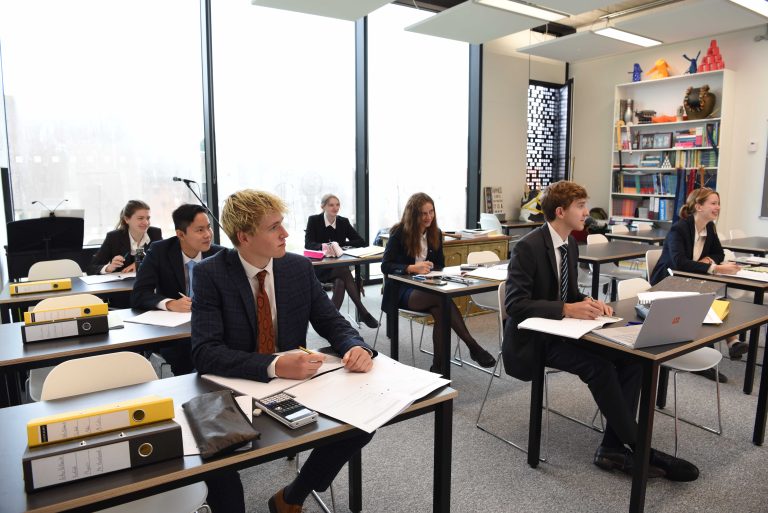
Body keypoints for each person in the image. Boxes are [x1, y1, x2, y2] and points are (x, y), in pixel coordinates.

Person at [191, 189, 376, 513]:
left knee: (364, 420)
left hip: (297, 382)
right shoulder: (210, 273)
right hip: (233, 385)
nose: (285, 233)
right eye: (274, 227)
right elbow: (205, 353)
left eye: (282, 224)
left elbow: (332, 321)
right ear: (244, 237)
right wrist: (274, 365)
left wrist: (355, 346)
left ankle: (292, 495)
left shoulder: (297, 268)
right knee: (220, 465)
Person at [502, 180, 698, 482]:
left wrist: (587, 302)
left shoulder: (569, 242)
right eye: (580, 206)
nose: (586, 213)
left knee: (632, 358)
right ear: (560, 211)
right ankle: (640, 448)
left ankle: (611, 448)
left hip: (563, 330)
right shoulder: (527, 247)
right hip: (535, 339)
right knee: (600, 367)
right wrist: (567, 309)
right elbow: (516, 305)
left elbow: (564, 292)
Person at [381, 192, 496, 371]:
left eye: (431, 212)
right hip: (401, 289)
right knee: (440, 300)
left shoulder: (436, 233)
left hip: (427, 286)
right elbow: (386, 266)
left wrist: (446, 274)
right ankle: (473, 346)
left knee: (441, 308)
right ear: (414, 214)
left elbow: (440, 265)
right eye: (424, 213)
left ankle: (438, 367)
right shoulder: (399, 232)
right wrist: (411, 268)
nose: (429, 217)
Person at [650, 187, 746, 380]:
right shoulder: (680, 228)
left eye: (718, 203)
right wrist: (715, 268)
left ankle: (732, 343)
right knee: (706, 300)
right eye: (713, 203)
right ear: (699, 206)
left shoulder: (709, 227)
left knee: (717, 297)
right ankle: (720, 347)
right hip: (668, 280)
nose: (717, 207)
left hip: (690, 278)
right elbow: (679, 263)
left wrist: (707, 261)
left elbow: (719, 253)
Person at [131, 204, 224, 375]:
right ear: (180, 234)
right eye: (200, 230)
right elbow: (139, 294)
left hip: (213, 328)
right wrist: (170, 303)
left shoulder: (220, 254)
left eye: (209, 228)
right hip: (176, 334)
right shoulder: (159, 251)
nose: (208, 235)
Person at [305, 194, 379, 328]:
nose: (335, 208)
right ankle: (362, 311)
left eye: (337, 205)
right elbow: (308, 244)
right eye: (331, 205)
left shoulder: (343, 221)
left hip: (338, 267)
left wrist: (340, 244)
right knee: (344, 272)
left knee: (340, 282)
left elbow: (361, 241)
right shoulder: (314, 220)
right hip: (320, 268)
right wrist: (325, 246)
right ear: (323, 207)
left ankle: (329, 322)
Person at [88, 200, 162, 275]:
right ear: (127, 219)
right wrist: (108, 267)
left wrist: (142, 264)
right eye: (140, 218)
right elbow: (91, 268)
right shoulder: (114, 237)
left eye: (148, 218)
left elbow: (165, 262)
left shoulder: (155, 233)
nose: (146, 222)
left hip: (149, 283)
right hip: (122, 285)